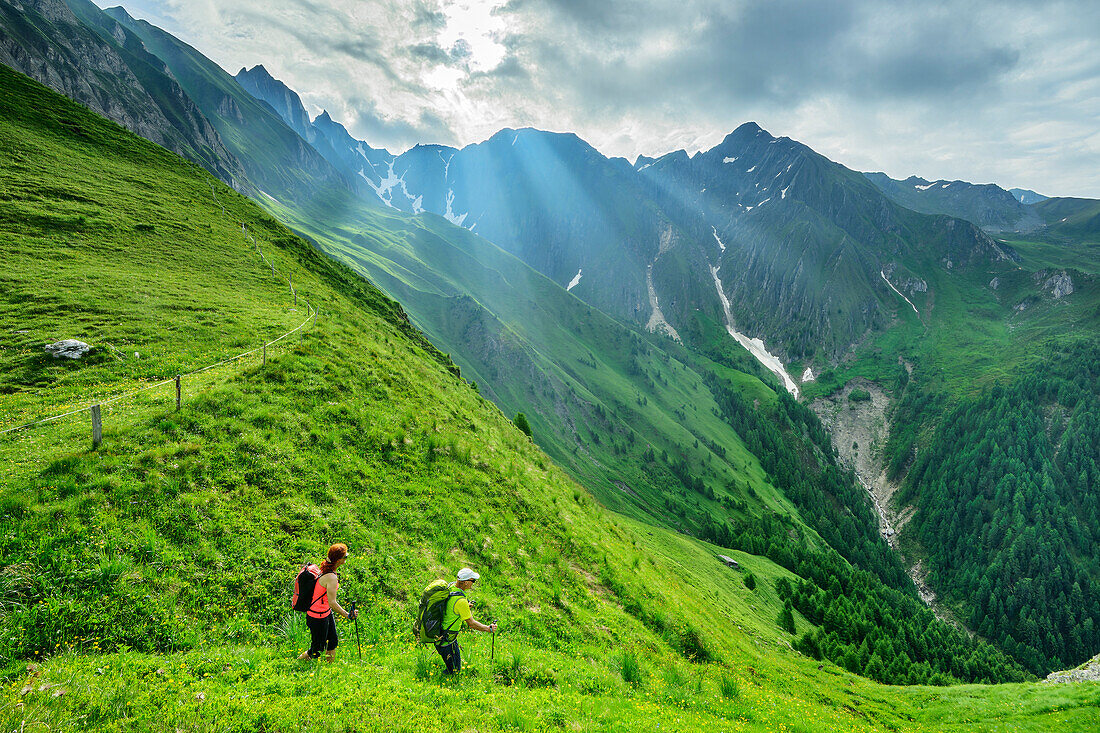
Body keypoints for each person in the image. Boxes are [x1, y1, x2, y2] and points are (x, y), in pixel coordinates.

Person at [297, 543, 357, 663]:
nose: (347, 557)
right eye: (345, 556)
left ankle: (330, 669)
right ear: (339, 560)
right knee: (317, 649)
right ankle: (298, 662)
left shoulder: (327, 569)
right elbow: (332, 603)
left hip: (325, 613)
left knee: (332, 642)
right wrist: (347, 614)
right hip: (317, 616)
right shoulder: (331, 577)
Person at [435, 567, 497, 675]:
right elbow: (471, 624)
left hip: (440, 634)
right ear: (466, 583)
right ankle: (441, 687)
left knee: (453, 667)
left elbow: (450, 606)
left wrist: (465, 608)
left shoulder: (450, 589)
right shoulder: (461, 601)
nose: (473, 583)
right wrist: (488, 629)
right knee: (454, 671)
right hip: (447, 640)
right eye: (473, 581)